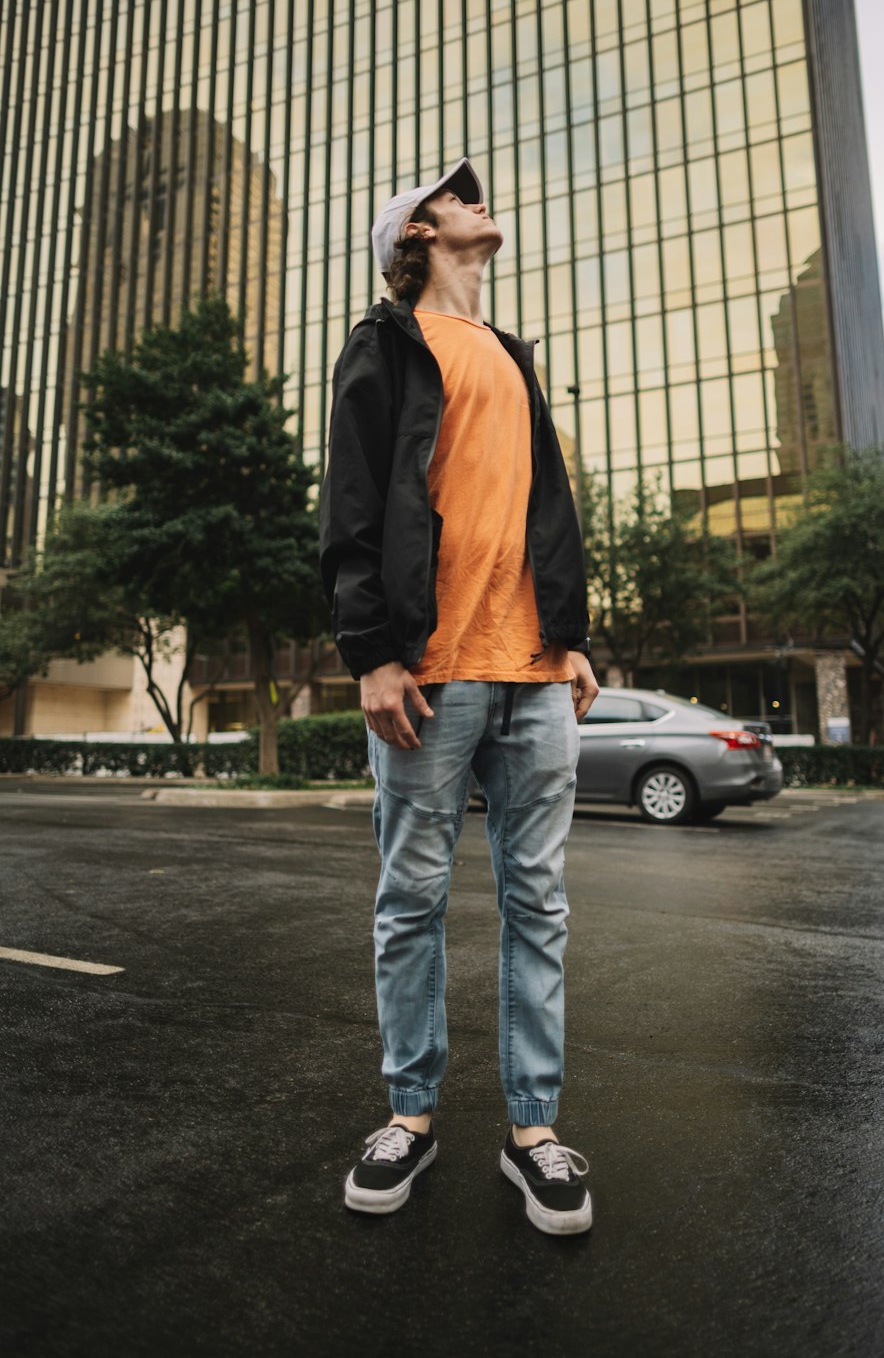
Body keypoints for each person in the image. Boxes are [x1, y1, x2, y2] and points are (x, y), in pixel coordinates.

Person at [319, 157, 599, 1236]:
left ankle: (534, 1133)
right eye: (458, 195)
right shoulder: (384, 344)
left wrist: (570, 638)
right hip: (428, 673)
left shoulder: (512, 356)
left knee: (539, 902)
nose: (480, 202)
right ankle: (410, 1116)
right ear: (420, 233)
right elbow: (352, 496)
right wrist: (370, 652)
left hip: (533, 672)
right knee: (411, 903)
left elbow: (550, 504)